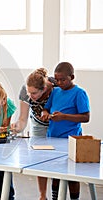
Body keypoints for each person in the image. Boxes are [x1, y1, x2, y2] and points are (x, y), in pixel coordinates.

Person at [41, 62, 90, 200]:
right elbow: (46, 108)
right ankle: (55, 197)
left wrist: (64, 117)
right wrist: (45, 113)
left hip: (71, 140)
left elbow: (86, 117)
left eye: (63, 79)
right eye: (57, 80)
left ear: (72, 77)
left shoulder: (79, 93)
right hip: (53, 139)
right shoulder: (55, 91)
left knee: (72, 175)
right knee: (55, 173)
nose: (59, 82)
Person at [10, 68, 56, 200]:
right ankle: (42, 196)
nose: (31, 96)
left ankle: (56, 194)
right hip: (37, 125)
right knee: (40, 159)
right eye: (29, 93)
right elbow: (23, 119)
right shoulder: (25, 91)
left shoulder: (55, 87)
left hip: (56, 125)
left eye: (34, 93)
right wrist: (17, 128)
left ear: (44, 89)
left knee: (57, 161)